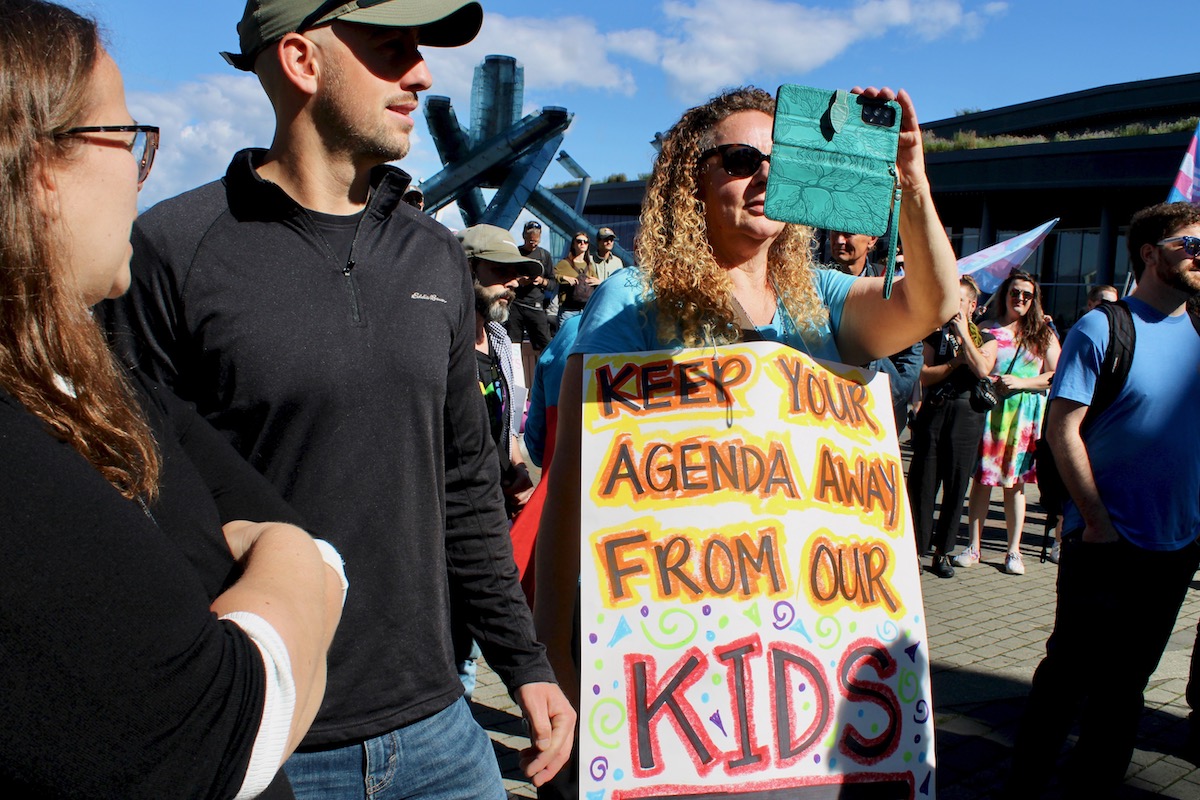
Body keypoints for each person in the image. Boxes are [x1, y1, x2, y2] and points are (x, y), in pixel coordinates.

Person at [102, 1, 575, 798]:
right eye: (392, 50)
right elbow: (131, 500)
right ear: (300, 60)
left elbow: (466, 484)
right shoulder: (171, 251)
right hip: (264, 744)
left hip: (442, 735)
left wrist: (524, 662)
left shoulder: (432, 256)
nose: (420, 74)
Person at [532, 84, 959, 799]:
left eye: (780, 160)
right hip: (671, 677)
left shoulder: (819, 299)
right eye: (738, 159)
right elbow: (570, 503)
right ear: (688, 181)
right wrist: (557, 666)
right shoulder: (633, 301)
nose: (764, 176)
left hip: (795, 680)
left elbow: (933, 303)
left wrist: (911, 181)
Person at [0, 2, 346, 796]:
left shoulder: (106, 385)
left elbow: (310, 551)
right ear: (38, 164)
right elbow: (222, 728)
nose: (141, 169)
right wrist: (287, 558)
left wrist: (284, 563)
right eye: (127, 140)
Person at [1005, 202, 1200, 797]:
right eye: (1192, 245)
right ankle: (1026, 783)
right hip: (1105, 540)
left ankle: (1094, 786)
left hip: (1177, 544)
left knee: (1127, 684)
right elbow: (1063, 429)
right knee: (1068, 674)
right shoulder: (1104, 327)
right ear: (1150, 252)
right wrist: (1093, 521)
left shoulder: (1199, 328)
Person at [954, 269, 1060, 575]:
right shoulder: (987, 328)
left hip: (1023, 417)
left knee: (1015, 486)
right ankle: (973, 546)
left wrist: (1023, 383)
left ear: (1034, 299)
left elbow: (1055, 374)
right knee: (982, 481)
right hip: (990, 413)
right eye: (1015, 292)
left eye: (1027, 295)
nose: (1021, 299)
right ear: (1005, 294)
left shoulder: (1042, 333)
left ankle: (1013, 551)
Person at [906, 276, 997, 578]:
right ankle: (917, 549)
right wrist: (954, 363)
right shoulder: (934, 334)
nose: (953, 306)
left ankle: (943, 551)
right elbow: (925, 375)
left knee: (957, 484)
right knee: (923, 482)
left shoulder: (987, 338)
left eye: (959, 301)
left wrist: (964, 338)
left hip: (968, 416)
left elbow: (983, 368)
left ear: (972, 305)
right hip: (936, 412)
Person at [829, 230, 924, 434]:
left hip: (876, 409)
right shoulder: (808, 281)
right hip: (826, 404)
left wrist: (896, 389)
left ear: (872, 240)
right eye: (833, 233)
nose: (838, 241)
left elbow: (913, 349)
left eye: (848, 234)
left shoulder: (891, 284)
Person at [510, 219, 555, 383]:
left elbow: (553, 283)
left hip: (536, 306)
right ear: (523, 236)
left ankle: (547, 378)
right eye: (530, 241)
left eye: (536, 241)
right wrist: (519, 280)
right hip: (516, 305)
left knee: (546, 344)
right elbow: (506, 277)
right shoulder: (515, 253)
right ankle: (516, 382)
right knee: (513, 346)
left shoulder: (545, 255)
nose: (533, 244)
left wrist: (542, 281)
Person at [553, 230, 598, 324]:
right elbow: (551, 276)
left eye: (585, 242)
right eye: (579, 241)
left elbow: (596, 283)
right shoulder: (564, 263)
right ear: (573, 244)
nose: (582, 243)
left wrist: (598, 282)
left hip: (586, 309)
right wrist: (564, 278)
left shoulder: (590, 265)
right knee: (566, 338)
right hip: (568, 310)